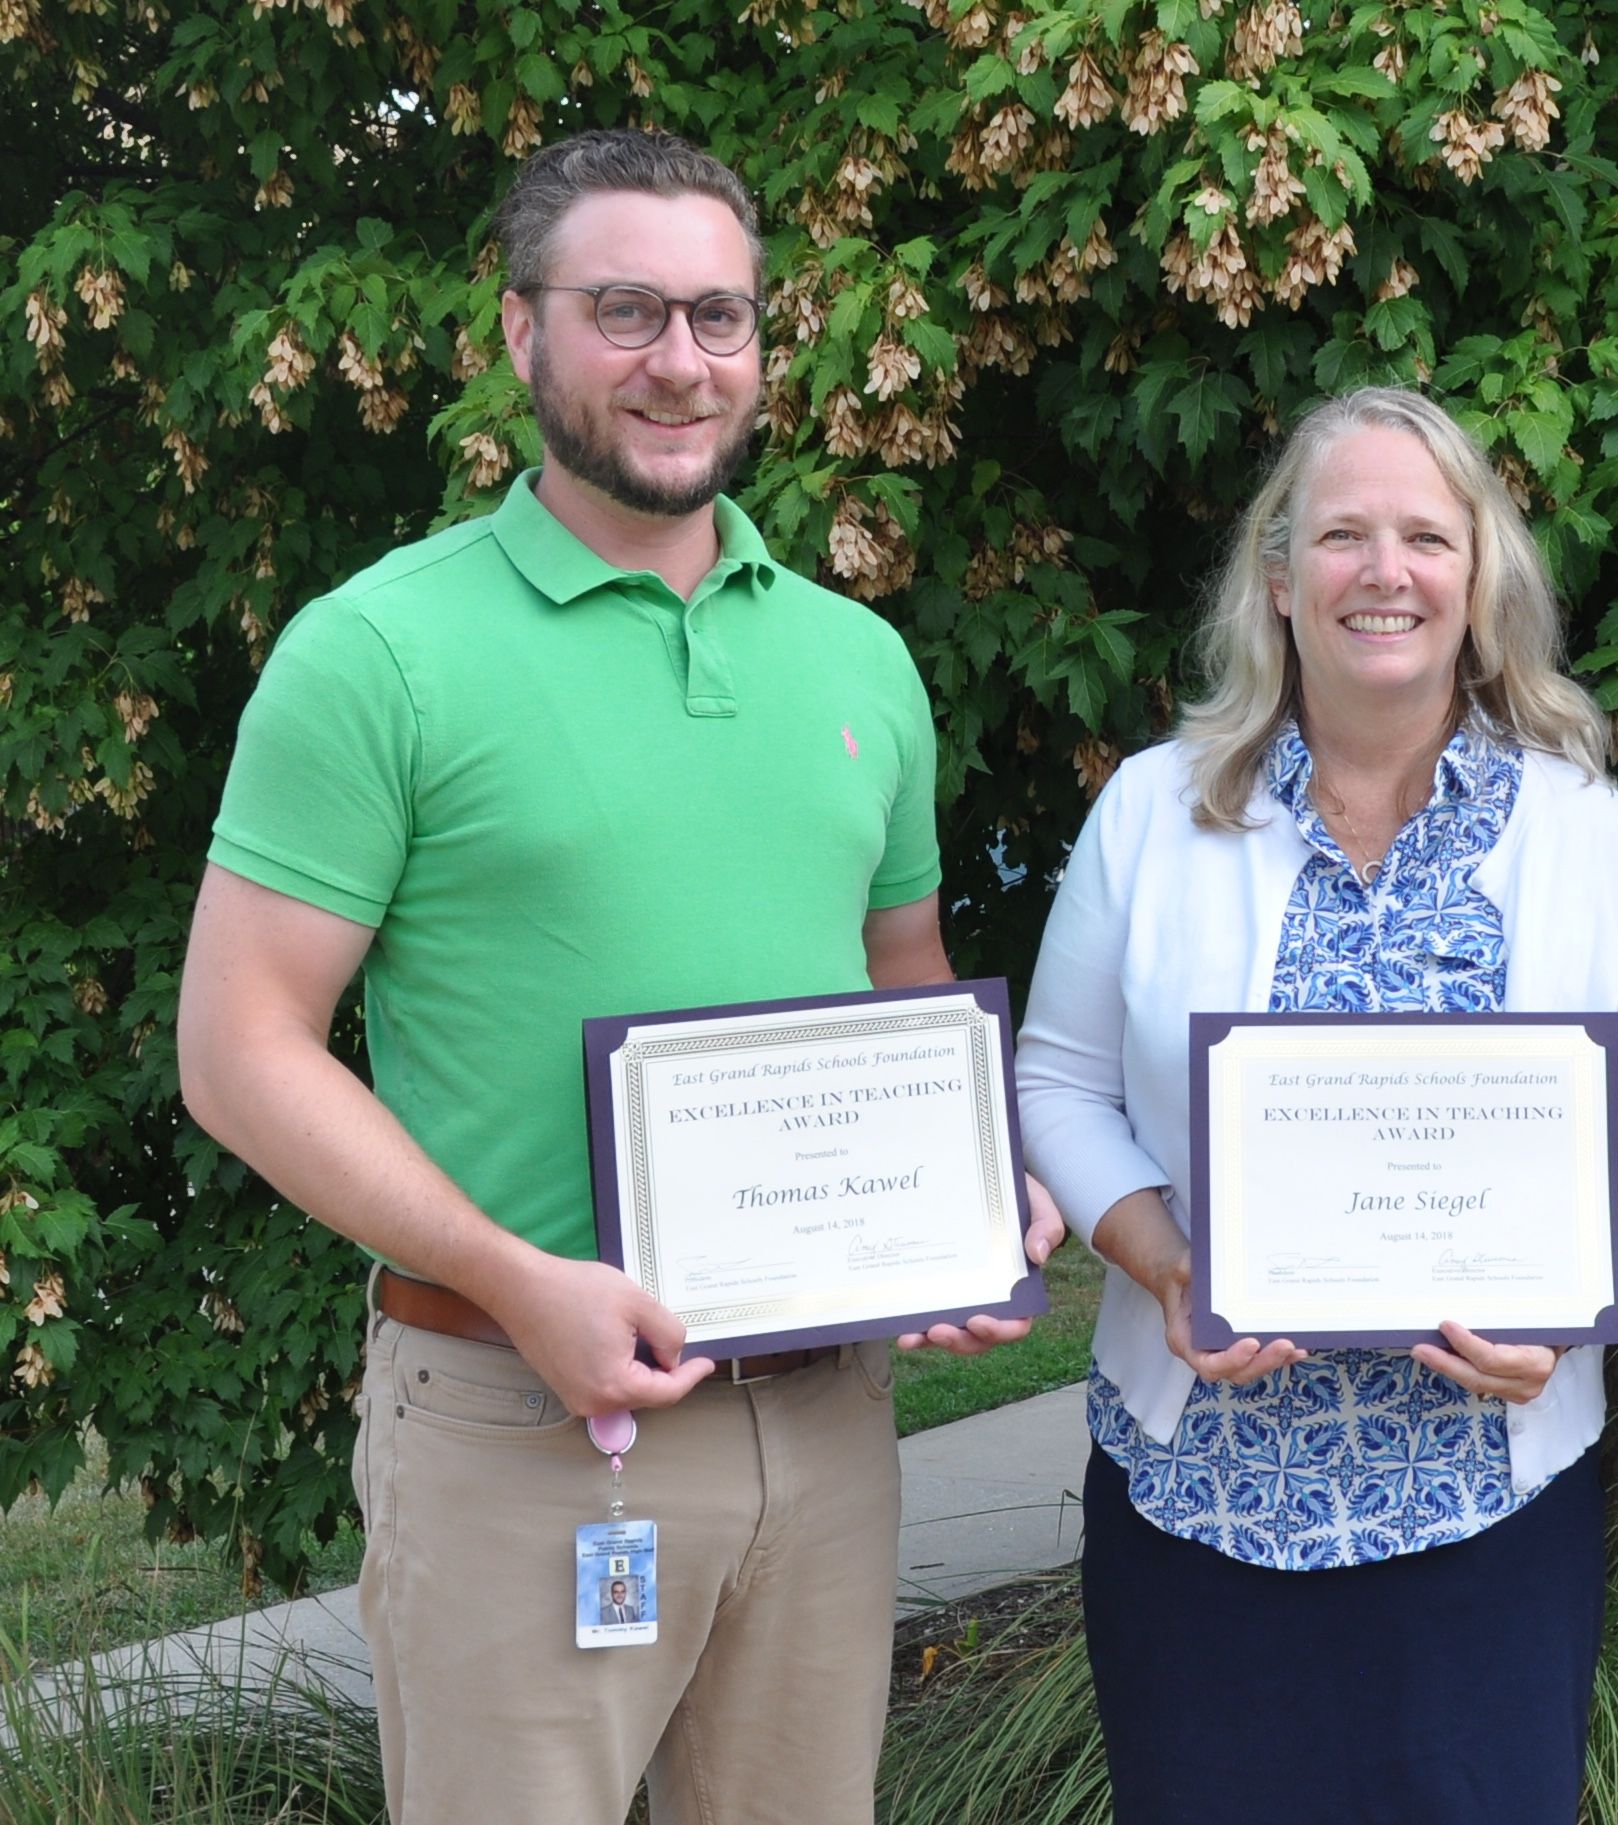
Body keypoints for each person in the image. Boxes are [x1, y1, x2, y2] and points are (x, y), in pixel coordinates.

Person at [176, 129, 1059, 1825]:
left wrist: (971, 1193)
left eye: (719, 316)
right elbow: (238, 1048)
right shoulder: (378, 653)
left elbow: (903, 980)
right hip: (519, 1422)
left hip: (820, 1424)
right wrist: (519, 1278)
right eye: (627, 308)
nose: (680, 361)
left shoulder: (854, 657)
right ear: (522, 335)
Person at [1015, 387, 1618, 1820]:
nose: (1383, 571)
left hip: (1491, 1510)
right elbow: (1059, 1083)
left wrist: (1576, 1298)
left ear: (1479, 575)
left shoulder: (1595, 836)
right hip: (1196, 1497)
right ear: (1277, 579)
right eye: (1340, 534)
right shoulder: (1153, 813)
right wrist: (1165, 1265)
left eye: (1424, 535)